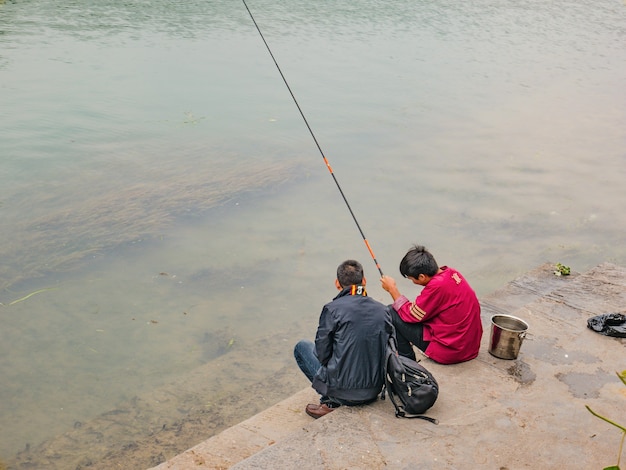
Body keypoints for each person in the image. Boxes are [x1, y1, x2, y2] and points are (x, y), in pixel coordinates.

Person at [294, 259, 392, 419]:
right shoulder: (383, 310)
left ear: (337, 283)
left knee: (302, 347)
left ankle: (329, 402)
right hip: (374, 390)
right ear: (364, 282)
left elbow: (321, 354)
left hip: (343, 393)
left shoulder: (332, 310)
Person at [380, 245, 482, 364]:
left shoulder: (436, 286)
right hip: (469, 347)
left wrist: (392, 289)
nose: (412, 282)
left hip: (452, 351)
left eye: (412, 279)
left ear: (422, 277)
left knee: (391, 312)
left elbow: (411, 315)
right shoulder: (451, 273)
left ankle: (408, 363)